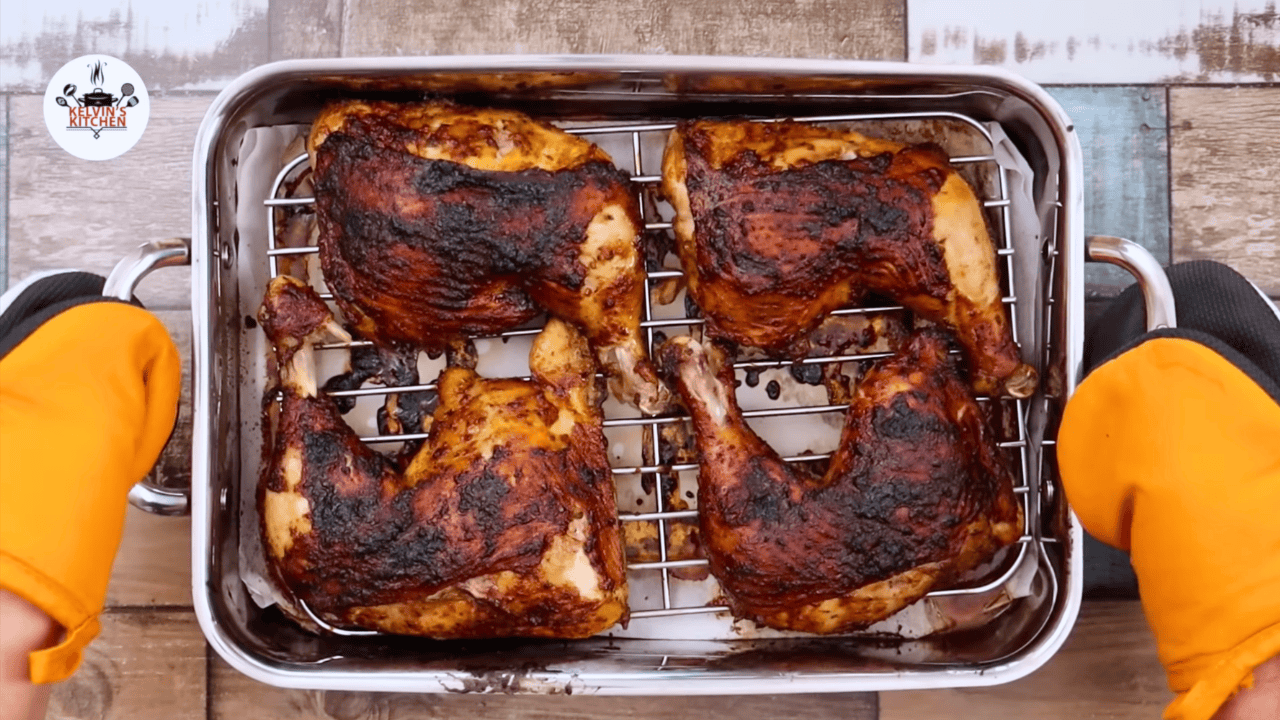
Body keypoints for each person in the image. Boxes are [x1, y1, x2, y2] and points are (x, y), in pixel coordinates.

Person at [0, 263, 1276, 720]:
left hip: (421, 563)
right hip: (575, 544)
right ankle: (1167, 432)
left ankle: (30, 523)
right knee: (1238, 569)